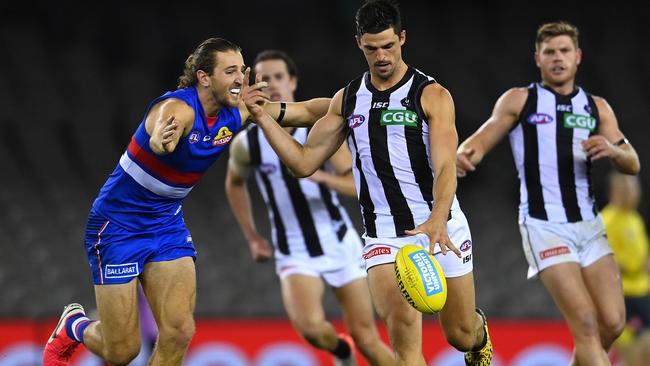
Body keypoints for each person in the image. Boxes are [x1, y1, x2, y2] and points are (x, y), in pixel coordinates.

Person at [42, 37, 331, 366]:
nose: (240, 78)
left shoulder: (240, 110)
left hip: (166, 224)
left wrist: (354, 103)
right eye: (230, 71)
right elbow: (161, 132)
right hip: (117, 226)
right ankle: (75, 325)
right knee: (122, 351)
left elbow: (305, 111)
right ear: (204, 77)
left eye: (242, 70)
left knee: (179, 332)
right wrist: (161, 141)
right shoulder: (177, 108)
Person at [240, 2, 492, 365]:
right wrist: (261, 117)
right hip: (384, 233)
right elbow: (303, 163)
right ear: (359, 43)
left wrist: (438, 218)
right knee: (405, 341)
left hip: (441, 223)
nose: (382, 56)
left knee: (460, 334)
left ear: (402, 38)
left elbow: (445, 167)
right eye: (372, 48)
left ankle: (480, 333)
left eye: (388, 46)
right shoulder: (349, 99)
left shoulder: (431, 95)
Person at [456, 21, 641, 366]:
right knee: (585, 323)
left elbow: (632, 162)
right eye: (550, 52)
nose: (558, 58)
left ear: (578, 57)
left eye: (564, 51)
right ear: (537, 58)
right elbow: (481, 139)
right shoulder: (520, 100)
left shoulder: (596, 108)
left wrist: (615, 152)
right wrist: (466, 155)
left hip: (589, 225)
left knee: (612, 323)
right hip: (544, 225)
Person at [226, 49, 394, 366]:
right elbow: (234, 183)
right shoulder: (247, 143)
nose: (271, 84)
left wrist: (320, 178)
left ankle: (356, 349)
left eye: (278, 77)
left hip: (339, 242)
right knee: (311, 329)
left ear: (293, 82)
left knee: (368, 339)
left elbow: (357, 185)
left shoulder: (319, 133)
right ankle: (340, 351)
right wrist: (251, 235)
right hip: (294, 249)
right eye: (263, 79)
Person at [602, 172, 650, 331]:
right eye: (627, 189)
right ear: (615, 191)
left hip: (642, 291)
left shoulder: (635, 219)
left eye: (634, 189)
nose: (632, 193)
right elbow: (604, 259)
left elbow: (643, 255)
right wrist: (631, 268)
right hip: (621, 294)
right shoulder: (606, 220)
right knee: (633, 345)